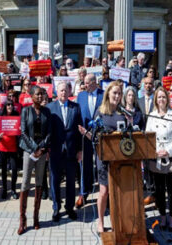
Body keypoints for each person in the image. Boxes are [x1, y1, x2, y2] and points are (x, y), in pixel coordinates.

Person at [78, 81, 125, 233]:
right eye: (114, 93)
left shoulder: (123, 113)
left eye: (119, 93)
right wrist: (86, 133)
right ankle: (100, 221)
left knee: (117, 192)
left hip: (119, 159)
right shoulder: (101, 112)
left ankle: (116, 220)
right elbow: (95, 138)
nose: (117, 96)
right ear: (108, 94)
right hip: (104, 158)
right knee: (104, 191)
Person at [146, 87, 172, 231]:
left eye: (163, 97)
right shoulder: (151, 115)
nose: (161, 100)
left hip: (171, 156)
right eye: (159, 97)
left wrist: (167, 151)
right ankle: (162, 217)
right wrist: (156, 152)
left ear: (167, 99)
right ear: (155, 99)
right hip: (157, 157)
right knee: (159, 190)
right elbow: (147, 136)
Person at [17, 86, 51, 235]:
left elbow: (49, 133)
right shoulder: (26, 111)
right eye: (37, 94)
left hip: (42, 152)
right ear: (31, 96)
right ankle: (22, 220)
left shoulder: (47, 112)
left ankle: (36, 217)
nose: (40, 96)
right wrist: (34, 148)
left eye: (41, 94)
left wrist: (42, 147)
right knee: (25, 182)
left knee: (39, 182)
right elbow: (23, 132)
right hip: (29, 151)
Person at [47, 81, 82, 222]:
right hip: (55, 151)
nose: (63, 93)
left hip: (71, 151)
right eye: (61, 90)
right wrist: (47, 149)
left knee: (70, 182)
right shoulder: (50, 108)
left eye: (65, 90)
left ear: (69, 92)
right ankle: (56, 207)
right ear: (57, 91)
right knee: (54, 180)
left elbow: (79, 131)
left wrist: (80, 150)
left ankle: (69, 207)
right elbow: (48, 131)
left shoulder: (76, 107)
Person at [76, 74, 104, 208]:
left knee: (101, 166)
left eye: (87, 83)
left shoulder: (103, 95)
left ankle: (105, 195)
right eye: (84, 83)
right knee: (85, 165)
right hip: (84, 136)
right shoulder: (80, 96)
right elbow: (78, 114)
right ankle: (83, 193)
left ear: (94, 83)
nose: (85, 85)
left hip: (99, 136)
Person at [0, 100, 19, 200]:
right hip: (3, 147)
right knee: (4, 170)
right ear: (5, 106)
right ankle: (5, 190)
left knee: (14, 170)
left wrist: (20, 129)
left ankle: (13, 189)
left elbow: (19, 130)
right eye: (8, 105)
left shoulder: (16, 115)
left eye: (11, 105)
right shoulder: (1, 117)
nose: (10, 106)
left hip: (13, 147)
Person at [138, 77, 155, 205]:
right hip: (142, 137)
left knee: (153, 164)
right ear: (143, 86)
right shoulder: (138, 101)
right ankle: (148, 189)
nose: (148, 86)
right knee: (145, 164)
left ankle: (154, 192)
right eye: (146, 84)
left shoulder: (157, 100)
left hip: (154, 136)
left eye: (150, 84)